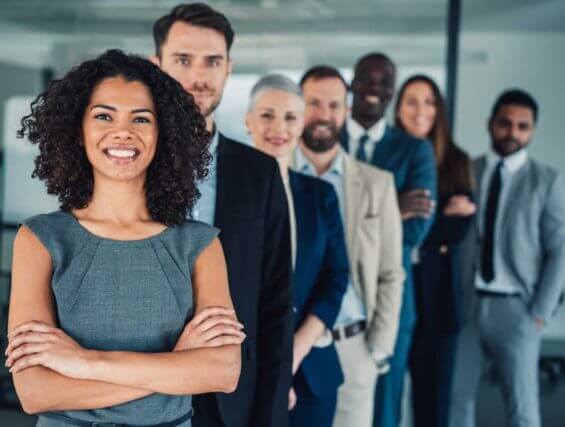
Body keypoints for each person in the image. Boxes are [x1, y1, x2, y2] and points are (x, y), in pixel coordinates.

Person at [6, 49, 244, 427]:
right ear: (76, 129)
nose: (123, 131)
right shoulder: (40, 239)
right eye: (103, 115)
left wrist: (83, 362)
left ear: (162, 133)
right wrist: (176, 365)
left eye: (141, 118)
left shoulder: (199, 245)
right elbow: (36, 393)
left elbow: (223, 372)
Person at [151, 4, 293, 427]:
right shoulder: (125, 162)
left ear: (228, 68)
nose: (198, 76)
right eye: (183, 60)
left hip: (232, 396)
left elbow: (276, 300)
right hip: (143, 388)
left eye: (212, 61)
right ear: (157, 65)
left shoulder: (260, 172)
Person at [296, 65, 405, 427]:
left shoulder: (377, 184)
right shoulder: (270, 175)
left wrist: (377, 350)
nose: (323, 115)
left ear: (346, 110)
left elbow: (391, 272)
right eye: (313, 103)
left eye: (333, 104)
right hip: (293, 348)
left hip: (353, 345)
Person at [450, 89, 565, 427]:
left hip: (517, 309)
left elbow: (560, 249)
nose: (513, 133)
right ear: (491, 124)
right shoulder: (468, 171)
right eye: (505, 124)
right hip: (468, 303)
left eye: (522, 126)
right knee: (457, 401)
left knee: (523, 407)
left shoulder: (547, 180)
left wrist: (540, 312)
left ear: (532, 130)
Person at [339, 52, 437, 427]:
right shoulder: (328, 137)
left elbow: (415, 231)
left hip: (390, 301)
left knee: (385, 404)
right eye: (366, 79)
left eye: (384, 83)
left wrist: (352, 217)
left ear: (392, 91)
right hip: (330, 294)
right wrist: (389, 207)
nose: (374, 89)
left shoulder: (414, 150)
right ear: (353, 84)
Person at [246, 73, 349, 427]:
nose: (279, 127)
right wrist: (270, 368)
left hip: (311, 373)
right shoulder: (231, 199)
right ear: (248, 122)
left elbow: (337, 278)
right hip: (245, 373)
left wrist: (292, 356)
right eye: (267, 115)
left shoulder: (321, 197)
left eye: (290, 117)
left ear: (302, 124)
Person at [395, 75, 475, 427]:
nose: (420, 110)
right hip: (393, 295)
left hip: (438, 299)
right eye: (411, 101)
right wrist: (437, 214)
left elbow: (457, 231)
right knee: (388, 401)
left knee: (434, 406)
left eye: (429, 102)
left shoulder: (456, 161)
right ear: (398, 108)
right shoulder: (385, 154)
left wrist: (405, 216)